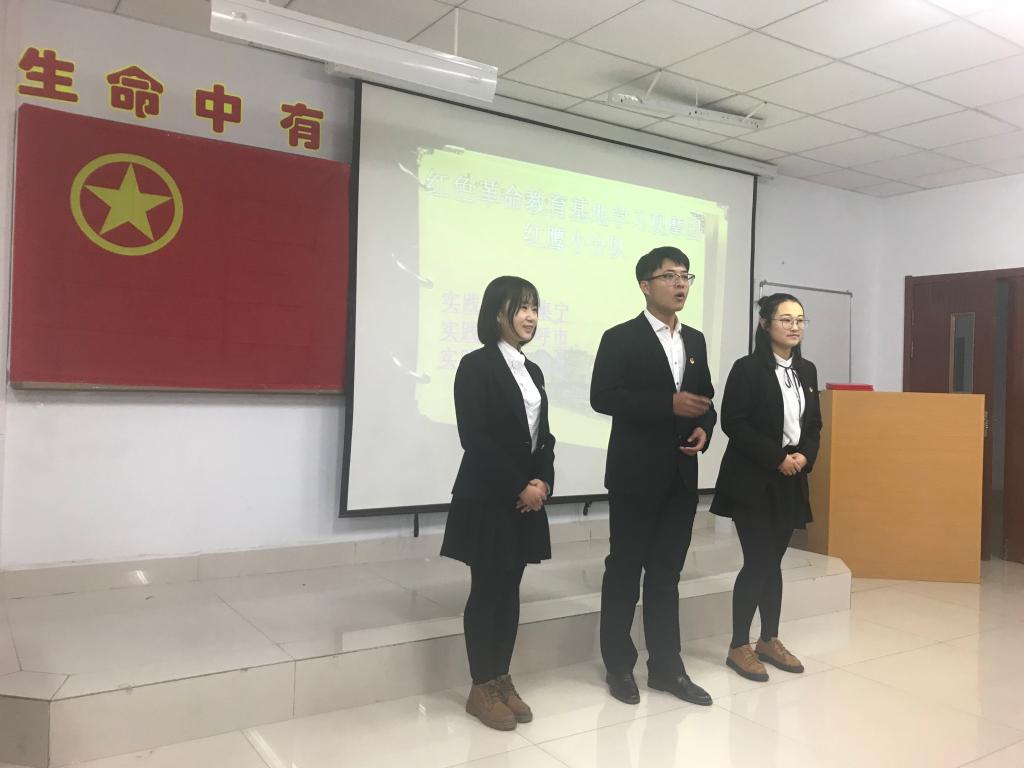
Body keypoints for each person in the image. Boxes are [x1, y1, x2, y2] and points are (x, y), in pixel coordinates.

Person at [591, 246, 717, 707]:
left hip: (680, 476)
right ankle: (618, 665)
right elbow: (602, 397)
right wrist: (667, 405)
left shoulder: (695, 340)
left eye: (686, 275)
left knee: (666, 574)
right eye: (669, 276)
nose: (680, 283)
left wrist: (705, 427)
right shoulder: (620, 337)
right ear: (645, 285)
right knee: (625, 570)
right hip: (635, 475)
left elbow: (705, 398)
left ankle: (666, 667)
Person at [440, 275, 556, 731]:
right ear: (496, 314)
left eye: (534, 307)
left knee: (510, 589)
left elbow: (543, 437)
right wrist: (518, 486)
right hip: (488, 496)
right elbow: (475, 437)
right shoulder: (476, 365)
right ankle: (480, 685)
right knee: (487, 588)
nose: (530, 316)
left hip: (526, 498)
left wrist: (542, 481)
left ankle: (502, 677)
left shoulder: (533, 371)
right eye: (521, 307)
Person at [711, 292, 822, 682]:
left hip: (791, 478)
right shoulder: (747, 369)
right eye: (785, 319)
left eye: (800, 320)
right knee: (758, 560)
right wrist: (777, 457)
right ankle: (738, 645)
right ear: (765, 324)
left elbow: (814, 425)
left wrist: (805, 456)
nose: (794, 326)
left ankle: (768, 639)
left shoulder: (807, 370)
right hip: (753, 479)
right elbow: (734, 422)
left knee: (773, 561)